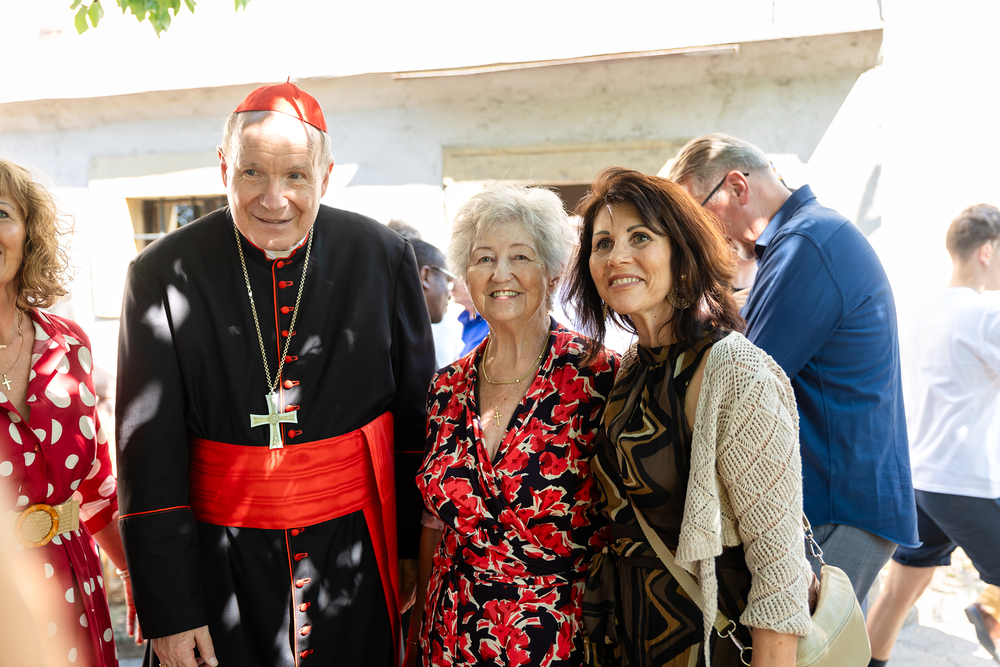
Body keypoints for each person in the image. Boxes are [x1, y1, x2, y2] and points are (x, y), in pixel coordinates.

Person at [115, 82, 435, 667]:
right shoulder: (161, 273)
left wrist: (412, 550)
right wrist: (171, 609)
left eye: (295, 176)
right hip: (219, 562)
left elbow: (416, 420)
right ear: (223, 167)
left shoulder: (382, 256)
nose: (274, 198)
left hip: (354, 555)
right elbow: (147, 455)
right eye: (252, 173)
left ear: (325, 176)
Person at [569, 167, 813, 666]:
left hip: (714, 645)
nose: (617, 256)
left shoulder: (737, 372)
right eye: (602, 243)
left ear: (681, 252)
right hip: (633, 637)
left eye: (640, 237)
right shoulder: (632, 368)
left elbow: (779, 568)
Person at [669, 134, 918, 604]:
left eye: (697, 215)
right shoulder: (806, 236)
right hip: (837, 498)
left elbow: (741, 381)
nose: (696, 235)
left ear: (737, 187)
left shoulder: (806, 242)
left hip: (835, 503)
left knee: (803, 641)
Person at [407, 183, 619, 666]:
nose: (500, 273)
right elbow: (434, 522)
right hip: (451, 636)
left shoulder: (598, 377)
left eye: (520, 256)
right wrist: (418, 628)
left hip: (560, 639)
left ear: (553, 271)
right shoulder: (447, 387)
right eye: (483, 258)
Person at [0, 158, 134, 666]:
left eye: (0, 213)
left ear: (28, 231)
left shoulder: (68, 343)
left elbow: (96, 485)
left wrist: (135, 576)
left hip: (77, 592)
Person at [865, 204, 1000, 667]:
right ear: (986, 251)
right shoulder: (984, 315)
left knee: (900, 592)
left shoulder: (919, 311)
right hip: (964, 482)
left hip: (920, 479)